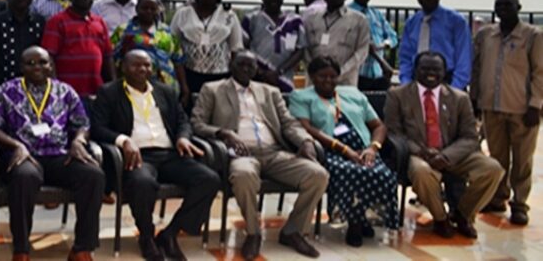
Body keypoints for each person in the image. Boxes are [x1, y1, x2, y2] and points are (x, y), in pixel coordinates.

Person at [192, 52, 327, 260]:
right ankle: (253, 233)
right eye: (241, 64)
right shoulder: (213, 90)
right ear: (231, 65)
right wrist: (223, 133)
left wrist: (306, 141)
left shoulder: (270, 91)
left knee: (318, 174)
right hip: (240, 154)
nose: (246, 69)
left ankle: (293, 231)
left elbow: (289, 124)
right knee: (243, 175)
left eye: (251, 65)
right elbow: (197, 124)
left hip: (274, 152)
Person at [91, 50, 220, 261]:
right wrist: (123, 140)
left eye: (147, 65)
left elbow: (182, 121)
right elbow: (97, 128)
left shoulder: (165, 91)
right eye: (136, 65)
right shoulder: (109, 92)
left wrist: (183, 137)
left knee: (209, 179)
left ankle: (171, 233)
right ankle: (147, 235)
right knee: (142, 183)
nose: (143, 69)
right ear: (123, 67)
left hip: (169, 153)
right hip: (138, 157)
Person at [0, 47, 105, 261]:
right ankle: (21, 249)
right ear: (21, 67)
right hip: (25, 156)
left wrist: (78, 141)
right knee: (25, 177)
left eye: (42, 62)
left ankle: (82, 248)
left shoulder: (65, 91)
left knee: (93, 175)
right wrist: (16, 145)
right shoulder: (5, 91)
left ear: (51, 65)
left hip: (60, 155)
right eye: (30, 63)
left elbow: (82, 123)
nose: (37, 67)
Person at [385, 51, 504, 239]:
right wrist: (424, 153)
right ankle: (441, 219)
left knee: (493, 169)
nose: (430, 73)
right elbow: (394, 133)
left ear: (444, 72)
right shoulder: (398, 95)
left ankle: (463, 215)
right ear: (416, 70)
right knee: (422, 172)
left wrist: (446, 156)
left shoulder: (459, 98)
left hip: (453, 154)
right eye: (425, 68)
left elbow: (470, 137)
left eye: (436, 69)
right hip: (417, 154)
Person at [288, 57, 399, 248]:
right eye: (322, 76)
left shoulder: (352, 94)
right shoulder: (301, 97)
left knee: (380, 172)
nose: (328, 81)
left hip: (363, 148)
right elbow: (306, 128)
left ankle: (364, 218)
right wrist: (344, 150)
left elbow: (378, 125)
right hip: (329, 151)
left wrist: (373, 148)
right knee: (351, 172)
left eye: (333, 76)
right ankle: (355, 225)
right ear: (312, 77)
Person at [473, 0, 543, 225]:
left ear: (518, 8)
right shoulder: (486, 34)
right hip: (491, 106)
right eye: (499, 5)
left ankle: (520, 203)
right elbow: (477, 66)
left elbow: (540, 73)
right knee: (497, 157)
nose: (503, 9)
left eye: (508, 5)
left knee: (522, 160)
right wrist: (474, 97)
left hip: (521, 109)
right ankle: (498, 196)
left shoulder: (533, 36)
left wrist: (536, 104)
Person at [170, 0, 244, 95]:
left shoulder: (229, 15)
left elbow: (236, 47)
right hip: (189, 74)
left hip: (221, 75)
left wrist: (234, 79)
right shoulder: (182, 13)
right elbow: (174, 45)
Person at [41, 0, 115, 100]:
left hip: (96, 92)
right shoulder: (57, 21)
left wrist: (112, 86)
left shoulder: (99, 22)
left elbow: (107, 56)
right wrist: (55, 88)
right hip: (66, 93)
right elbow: (49, 56)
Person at [111, 0, 189, 104]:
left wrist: (184, 88)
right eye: (145, 8)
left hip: (166, 86)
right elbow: (112, 59)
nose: (149, 12)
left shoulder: (167, 31)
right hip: (134, 86)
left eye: (153, 9)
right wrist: (114, 83)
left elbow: (178, 60)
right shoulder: (124, 31)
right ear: (137, 9)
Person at [398, 0, 472, 89]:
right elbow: (405, 57)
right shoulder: (411, 23)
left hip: (447, 80)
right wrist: (406, 83)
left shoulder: (456, 21)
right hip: (417, 80)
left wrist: (454, 88)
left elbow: (464, 58)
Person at [303, 0, 370, 87]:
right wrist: (315, 71)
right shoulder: (311, 19)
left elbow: (362, 51)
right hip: (315, 81)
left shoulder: (359, 20)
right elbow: (305, 48)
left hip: (345, 81)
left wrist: (340, 73)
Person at [241, 0, 305, 89]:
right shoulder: (252, 18)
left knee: (283, 104)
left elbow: (300, 50)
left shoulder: (295, 21)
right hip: (256, 76)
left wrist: (279, 71)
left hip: (284, 77)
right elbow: (242, 47)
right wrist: (260, 71)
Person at [348, 0, 397, 91]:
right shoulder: (347, 13)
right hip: (358, 74)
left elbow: (393, 37)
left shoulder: (376, 14)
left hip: (380, 72)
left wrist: (383, 45)